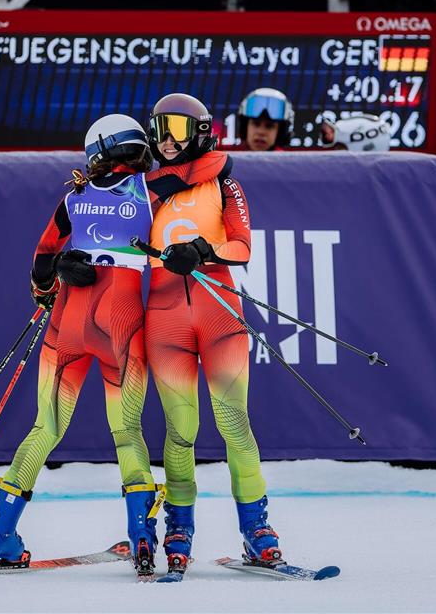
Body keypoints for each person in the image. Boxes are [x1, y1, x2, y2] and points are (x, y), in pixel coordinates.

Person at [0, 114, 164, 579]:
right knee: (128, 433)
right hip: (122, 321)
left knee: (44, 428)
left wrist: (54, 277)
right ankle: (143, 540)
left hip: (68, 320)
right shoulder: (155, 194)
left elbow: (43, 258)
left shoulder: (73, 196)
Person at [143, 93, 282, 578]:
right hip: (165, 323)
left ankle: (258, 532)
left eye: (179, 129)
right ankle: (179, 528)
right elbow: (113, 245)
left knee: (235, 427)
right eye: (161, 128)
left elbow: (242, 246)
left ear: (201, 132)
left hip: (219, 318)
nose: (168, 140)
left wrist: (203, 249)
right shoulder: (143, 187)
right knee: (180, 433)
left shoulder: (225, 182)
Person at [319, 113, 391, 152]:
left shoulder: (340, 126)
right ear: (327, 136)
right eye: (326, 131)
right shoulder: (340, 126)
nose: (327, 128)